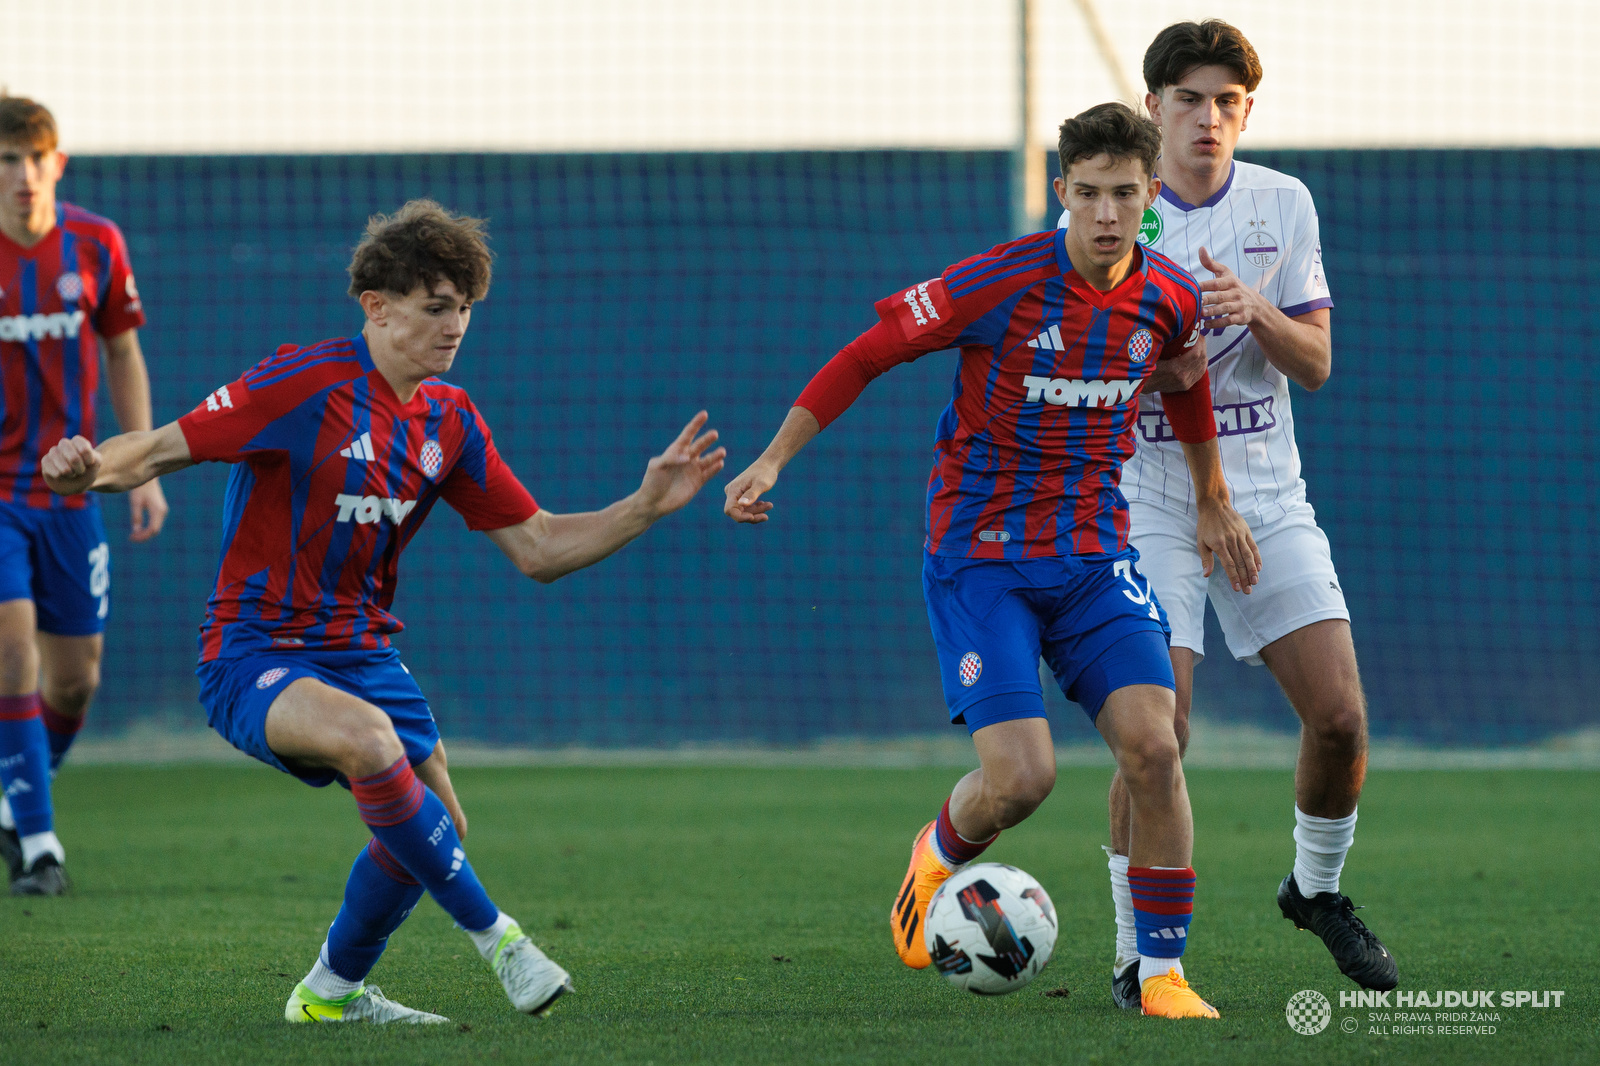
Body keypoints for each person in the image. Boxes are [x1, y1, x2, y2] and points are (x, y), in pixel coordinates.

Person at [41, 199, 726, 1023]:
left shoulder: (451, 419)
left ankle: (330, 994)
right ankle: (502, 942)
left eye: (466, 309)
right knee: (371, 744)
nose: (456, 326)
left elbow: (540, 548)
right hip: (254, 651)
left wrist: (644, 505)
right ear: (378, 306)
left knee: (438, 825)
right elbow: (150, 448)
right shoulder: (302, 384)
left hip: (364, 654)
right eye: (438, 307)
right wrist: (84, 471)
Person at [725, 103, 1260, 1019]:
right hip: (983, 558)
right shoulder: (1001, 281)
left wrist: (1213, 495)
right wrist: (774, 456)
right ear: (1063, 192)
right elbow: (866, 354)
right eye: (1086, 194)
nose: (1104, 214)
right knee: (1022, 780)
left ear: (1148, 197)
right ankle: (934, 859)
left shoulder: (1166, 296)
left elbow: (1187, 377)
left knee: (1156, 746)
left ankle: (1161, 976)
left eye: (1124, 195)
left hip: (1094, 555)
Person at [1085, 20, 1397, 1003]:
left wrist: (1252, 310)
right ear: (1153, 111)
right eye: (1188, 99)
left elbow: (1315, 364)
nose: (1208, 117)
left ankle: (1314, 889)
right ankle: (1138, 954)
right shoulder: (1117, 223)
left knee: (1341, 719)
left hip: (1266, 492)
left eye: (1227, 101)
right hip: (1149, 495)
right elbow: (1088, 379)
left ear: (1245, 113)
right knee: (1157, 733)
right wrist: (1160, 348)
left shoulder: (1282, 202)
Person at [0, 94, 168, 896]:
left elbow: (124, 354)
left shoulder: (97, 243)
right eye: (6, 160)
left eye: (36, 158)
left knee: (76, 680)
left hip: (72, 493)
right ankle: (39, 847)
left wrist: (141, 467)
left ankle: (16, 797)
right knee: (12, 651)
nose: (23, 174)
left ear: (57, 164)